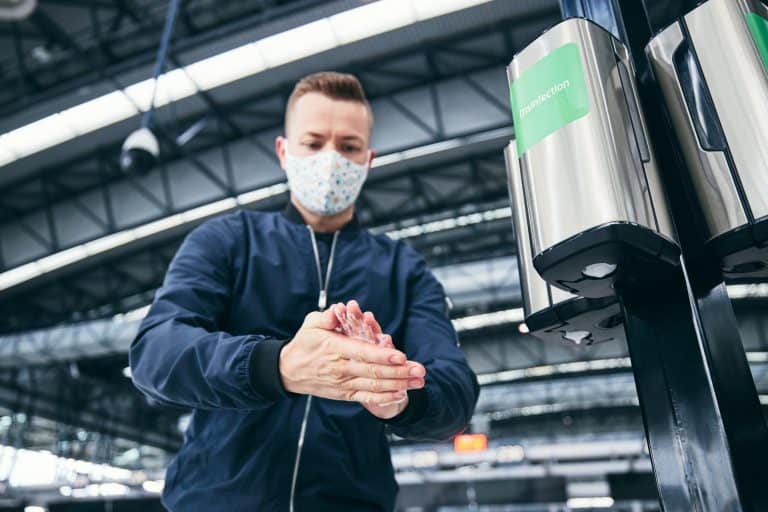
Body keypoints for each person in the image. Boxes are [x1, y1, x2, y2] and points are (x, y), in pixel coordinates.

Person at [129, 71, 480, 511]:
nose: (331, 160)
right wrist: (275, 366)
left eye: (348, 147)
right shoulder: (227, 242)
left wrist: (402, 397)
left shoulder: (403, 270)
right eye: (313, 143)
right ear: (284, 151)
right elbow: (155, 352)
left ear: (368, 160)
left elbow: (456, 391)